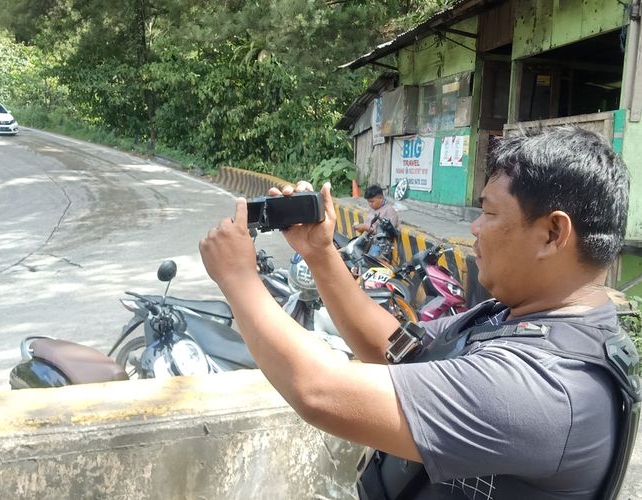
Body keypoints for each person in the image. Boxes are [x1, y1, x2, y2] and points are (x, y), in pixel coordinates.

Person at [199, 127, 638, 499]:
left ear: (552, 233)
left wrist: (239, 279)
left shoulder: (545, 388)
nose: (474, 226)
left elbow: (321, 392)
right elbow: (396, 348)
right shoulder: (514, 319)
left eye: (487, 212)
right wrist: (320, 254)